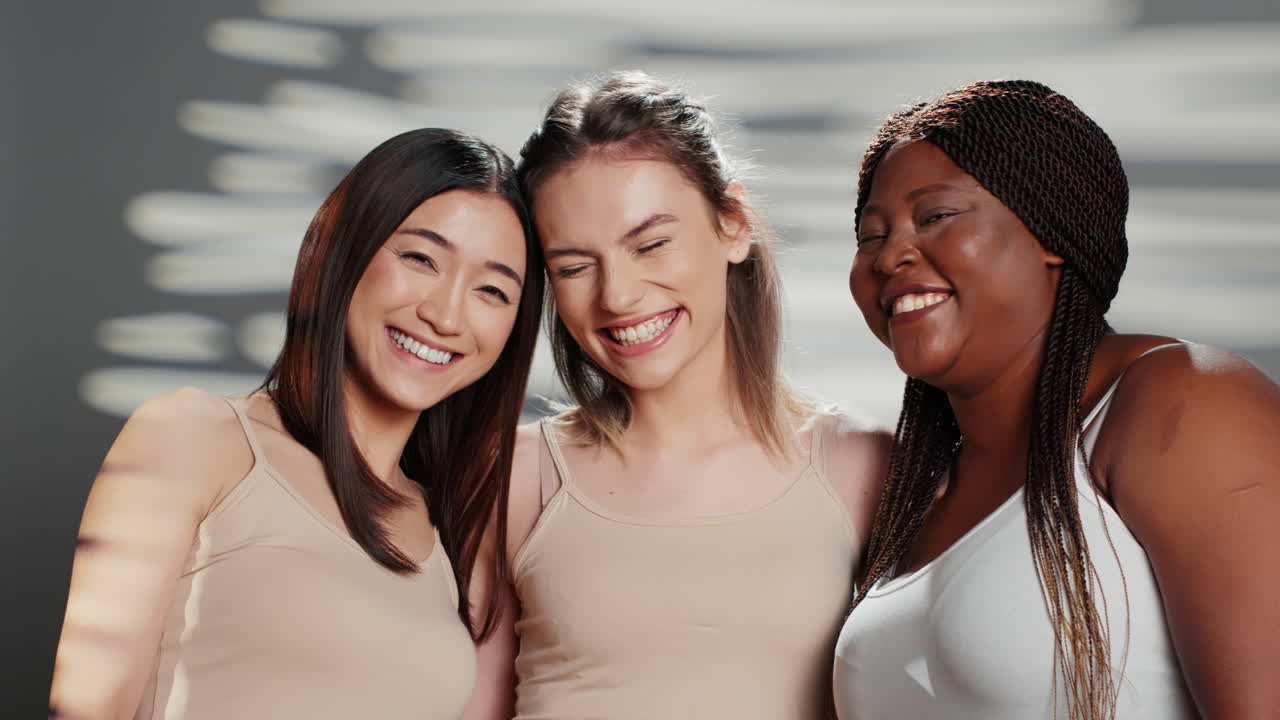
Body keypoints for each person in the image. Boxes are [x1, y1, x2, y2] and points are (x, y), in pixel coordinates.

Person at [49, 128, 544, 720]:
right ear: (345, 250)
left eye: (491, 290)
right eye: (420, 258)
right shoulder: (198, 437)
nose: (445, 315)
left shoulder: (454, 533)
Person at [833, 80, 1280, 719]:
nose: (890, 255)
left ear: (1050, 231)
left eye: (934, 217)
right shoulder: (916, 498)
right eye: (871, 235)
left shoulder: (1185, 402)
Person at [481, 71, 890, 719]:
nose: (617, 295)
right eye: (574, 266)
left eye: (650, 244)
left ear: (731, 224)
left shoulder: (861, 467)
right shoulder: (516, 479)